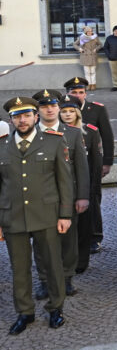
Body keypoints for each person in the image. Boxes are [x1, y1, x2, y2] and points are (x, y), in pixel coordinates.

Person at [0, 96, 73, 334]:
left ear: (35, 116)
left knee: (52, 264)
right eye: (17, 117)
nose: (22, 120)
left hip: (47, 215)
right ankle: (25, 312)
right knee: (19, 268)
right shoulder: (2, 146)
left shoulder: (54, 142)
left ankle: (55, 308)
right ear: (10, 120)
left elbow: (64, 183)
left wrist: (65, 215)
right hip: (13, 217)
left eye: (26, 115)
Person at [33, 89, 89, 300]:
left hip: (67, 196)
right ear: (37, 111)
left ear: (58, 108)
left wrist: (82, 196)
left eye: (53, 106)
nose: (49, 109)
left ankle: (66, 277)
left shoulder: (73, 134)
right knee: (40, 242)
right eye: (44, 106)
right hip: (39, 198)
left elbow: (81, 168)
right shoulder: (30, 133)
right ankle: (45, 280)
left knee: (68, 240)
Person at [64, 76, 112, 254]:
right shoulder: (62, 110)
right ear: (67, 93)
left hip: (92, 163)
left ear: (86, 93)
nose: (78, 95)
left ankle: (95, 236)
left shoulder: (96, 109)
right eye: (74, 92)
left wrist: (106, 163)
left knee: (93, 199)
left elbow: (106, 136)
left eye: (81, 92)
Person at [57, 99, 102, 278]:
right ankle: (65, 261)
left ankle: (81, 261)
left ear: (77, 113)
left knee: (83, 227)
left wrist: (92, 189)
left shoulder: (90, 132)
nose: (67, 114)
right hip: (65, 187)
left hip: (84, 185)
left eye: (71, 111)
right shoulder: (55, 134)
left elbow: (95, 163)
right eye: (64, 111)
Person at [77, 25, 102, 90]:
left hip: (93, 56)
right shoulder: (81, 37)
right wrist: (79, 49)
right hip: (85, 56)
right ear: (85, 32)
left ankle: (93, 84)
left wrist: (96, 49)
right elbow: (75, 44)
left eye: (91, 31)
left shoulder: (95, 37)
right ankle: (88, 84)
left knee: (93, 72)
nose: (90, 32)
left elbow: (100, 44)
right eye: (88, 31)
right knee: (87, 72)